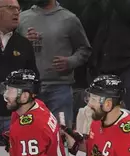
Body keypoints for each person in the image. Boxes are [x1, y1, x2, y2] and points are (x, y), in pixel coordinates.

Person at [18, 0, 91, 129]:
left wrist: (70, 61)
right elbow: (11, 49)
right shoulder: (22, 18)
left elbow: (84, 49)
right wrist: (24, 42)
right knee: (31, 135)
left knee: (62, 134)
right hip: (29, 89)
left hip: (59, 89)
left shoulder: (69, 19)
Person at [0, 0, 38, 146]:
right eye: (11, 8)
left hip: (15, 117)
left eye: (18, 9)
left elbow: (34, 79)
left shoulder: (24, 44)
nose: (16, 12)